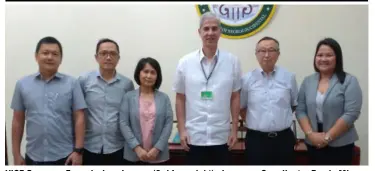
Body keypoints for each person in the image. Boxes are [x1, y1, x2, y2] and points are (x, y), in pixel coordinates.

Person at [173, 12, 242, 165]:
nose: (210, 33)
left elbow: (235, 96)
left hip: (221, 137)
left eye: (214, 29)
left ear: (220, 32)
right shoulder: (185, 62)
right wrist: (182, 130)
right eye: (206, 29)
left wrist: (234, 130)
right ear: (199, 32)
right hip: (194, 137)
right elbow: (180, 98)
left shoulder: (232, 62)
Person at [11, 36, 86, 165]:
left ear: (60, 59)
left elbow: (80, 117)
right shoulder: (22, 84)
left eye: (55, 54)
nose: (50, 57)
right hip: (33, 156)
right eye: (45, 53)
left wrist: (78, 151)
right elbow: (17, 121)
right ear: (36, 56)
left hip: (65, 156)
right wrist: (16, 154)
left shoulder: (72, 83)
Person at [296, 38, 362, 165]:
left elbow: (351, 113)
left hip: (340, 144)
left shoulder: (349, 81)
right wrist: (310, 134)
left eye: (329, 55)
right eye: (320, 55)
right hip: (313, 143)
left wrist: (327, 138)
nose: (323, 59)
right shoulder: (308, 81)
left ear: (337, 58)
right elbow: (300, 110)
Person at [240, 36, 298, 165]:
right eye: (262, 51)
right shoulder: (246, 79)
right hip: (256, 141)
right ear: (256, 54)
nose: (266, 55)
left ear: (278, 54)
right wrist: (258, 123)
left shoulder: (289, 77)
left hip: (283, 139)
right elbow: (242, 107)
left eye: (271, 50)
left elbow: (293, 105)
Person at [78, 38, 134, 165]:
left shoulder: (127, 84)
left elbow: (129, 116)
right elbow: (77, 115)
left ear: (118, 58)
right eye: (103, 53)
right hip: (89, 147)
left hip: (118, 147)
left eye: (113, 54)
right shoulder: (84, 81)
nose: (108, 57)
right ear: (96, 57)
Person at [120, 57, 173, 165]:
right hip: (134, 154)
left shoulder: (164, 98)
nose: (149, 76)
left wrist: (157, 148)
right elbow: (123, 123)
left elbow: (168, 124)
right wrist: (137, 148)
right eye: (145, 71)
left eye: (153, 72)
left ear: (157, 76)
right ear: (138, 73)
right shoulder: (128, 97)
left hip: (158, 155)